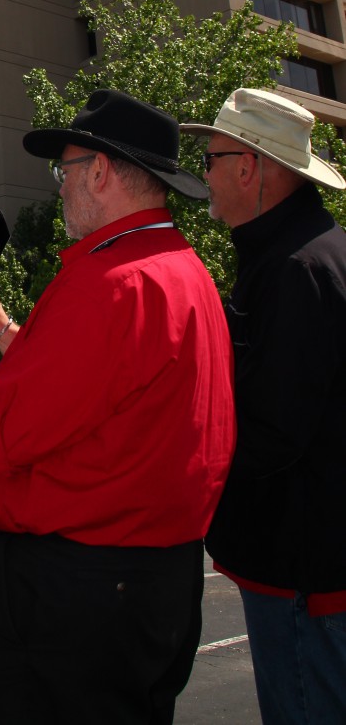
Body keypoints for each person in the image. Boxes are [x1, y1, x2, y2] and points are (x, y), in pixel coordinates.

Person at [0, 89, 235, 725]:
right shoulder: (177, 270)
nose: (59, 187)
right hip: (151, 582)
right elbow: (98, 393)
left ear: (100, 171)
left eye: (64, 170)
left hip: (73, 592)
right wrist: (1, 328)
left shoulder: (109, 285)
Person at [181, 88, 346, 724]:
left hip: (306, 574)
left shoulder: (295, 269)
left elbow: (272, 429)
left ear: (250, 168)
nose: (205, 174)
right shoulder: (306, 251)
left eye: (214, 158)